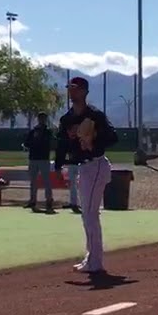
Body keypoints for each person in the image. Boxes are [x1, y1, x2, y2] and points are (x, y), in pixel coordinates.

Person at [55, 76, 119, 275]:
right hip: (82, 168)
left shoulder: (95, 115)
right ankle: (91, 258)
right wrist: (58, 165)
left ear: (84, 91)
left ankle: (95, 261)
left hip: (96, 164)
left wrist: (94, 137)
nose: (71, 91)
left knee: (90, 214)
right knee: (87, 214)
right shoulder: (66, 119)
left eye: (75, 88)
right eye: (70, 88)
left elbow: (113, 137)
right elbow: (62, 144)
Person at [22, 112, 55, 213]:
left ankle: (49, 201)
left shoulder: (48, 132)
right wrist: (28, 144)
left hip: (44, 159)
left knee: (46, 181)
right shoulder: (33, 131)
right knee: (33, 181)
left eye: (44, 118)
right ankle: (32, 200)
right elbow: (27, 143)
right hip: (33, 159)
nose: (42, 120)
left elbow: (50, 143)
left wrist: (39, 139)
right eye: (40, 118)